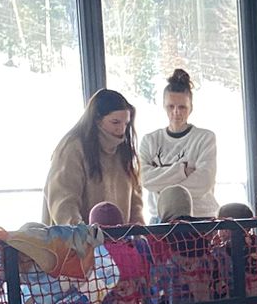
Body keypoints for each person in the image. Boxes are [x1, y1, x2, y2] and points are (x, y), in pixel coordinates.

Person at [46, 88, 142, 226]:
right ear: (97, 119)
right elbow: (63, 200)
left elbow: (135, 201)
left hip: (120, 237)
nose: (121, 129)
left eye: (126, 123)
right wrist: (81, 232)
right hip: (79, 236)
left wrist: (138, 230)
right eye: (115, 122)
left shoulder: (124, 150)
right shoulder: (72, 148)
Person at [139, 69, 218, 221]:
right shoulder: (149, 140)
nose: (176, 112)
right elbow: (144, 179)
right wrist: (182, 171)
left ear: (191, 108)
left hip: (199, 216)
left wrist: (160, 184)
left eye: (182, 107)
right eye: (171, 106)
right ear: (163, 106)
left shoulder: (205, 138)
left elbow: (203, 182)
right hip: (160, 218)